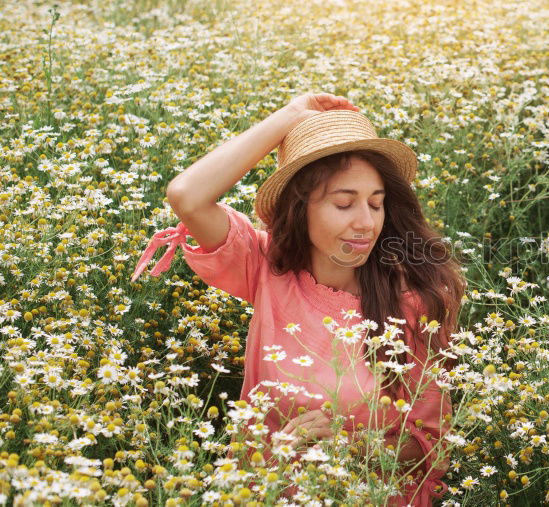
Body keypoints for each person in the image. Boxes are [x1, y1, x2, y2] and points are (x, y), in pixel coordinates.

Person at [130, 93, 465, 506]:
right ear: (298, 208)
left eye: (376, 204)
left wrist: (344, 448)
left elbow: (432, 448)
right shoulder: (266, 267)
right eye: (344, 203)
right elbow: (187, 195)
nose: (365, 222)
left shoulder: (413, 300)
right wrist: (289, 116)